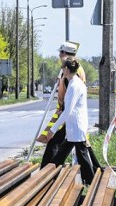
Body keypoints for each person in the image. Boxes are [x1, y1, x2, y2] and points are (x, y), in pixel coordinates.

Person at [39, 42, 101, 171]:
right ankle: (95, 171)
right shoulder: (75, 70)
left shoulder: (72, 75)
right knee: (78, 146)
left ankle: (46, 172)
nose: (58, 55)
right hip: (69, 115)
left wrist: (55, 125)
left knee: (56, 143)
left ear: (64, 53)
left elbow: (70, 96)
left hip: (68, 114)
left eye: (60, 53)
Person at [47, 57, 95, 185]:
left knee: (82, 156)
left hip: (76, 127)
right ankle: (49, 177)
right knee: (64, 154)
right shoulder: (76, 83)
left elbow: (67, 111)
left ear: (67, 69)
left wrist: (52, 129)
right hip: (75, 127)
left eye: (63, 68)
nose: (62, 71)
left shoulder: (74, 86)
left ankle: (91, 183)